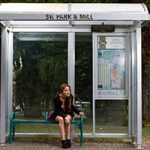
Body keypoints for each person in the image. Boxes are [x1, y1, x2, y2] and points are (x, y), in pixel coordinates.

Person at [53, 83, 84, 149]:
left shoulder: (70, 96)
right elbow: (58, 111)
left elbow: (72, 106)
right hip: (58, 114)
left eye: (69, 90)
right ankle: (63, 140)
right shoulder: (56, 99)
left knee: (68, 120)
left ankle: (68, 139)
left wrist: (78, 112)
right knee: (61, 119)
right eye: (66, 90)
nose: (68, 92)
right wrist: (65, 117)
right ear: (62, 91)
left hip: (68, 113)